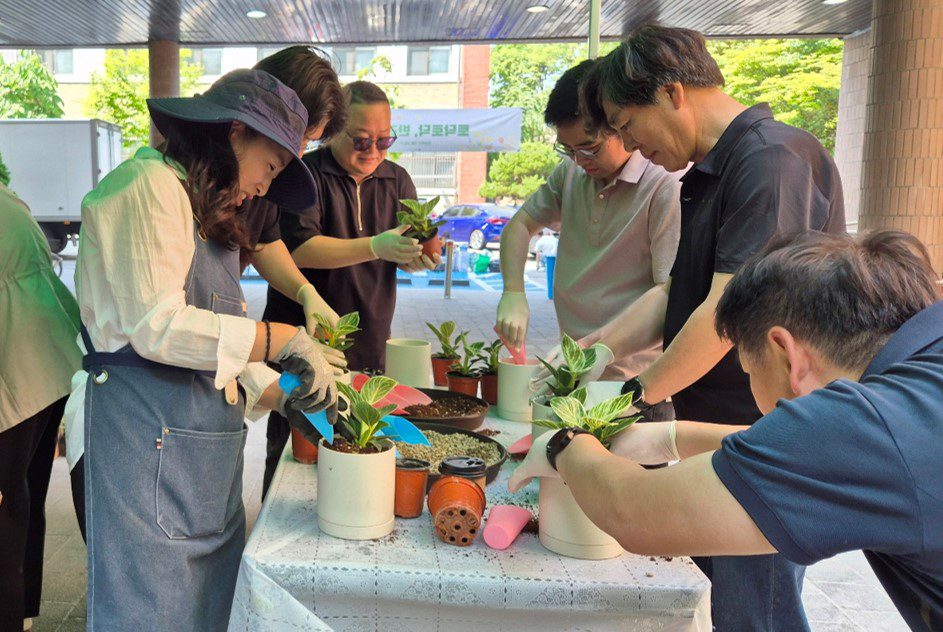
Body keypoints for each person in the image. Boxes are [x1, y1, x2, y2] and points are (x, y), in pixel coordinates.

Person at [544, 25, 846, 630]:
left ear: (672, 92)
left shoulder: (771, 160)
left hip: (764, 428)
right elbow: (678, 295)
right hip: (717, 428)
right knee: (724, 597)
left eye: (628, 125)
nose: (628, 143)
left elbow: (728, 312)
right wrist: (595, 350)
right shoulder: (709, 173)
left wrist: (638, 395)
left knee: (755, 609)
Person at [511, 229, 943, 632]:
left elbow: (634, 513)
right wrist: (672, 437)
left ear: (786, 354)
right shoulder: (917, 382)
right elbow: (817, 460)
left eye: (748, 368)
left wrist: (564, 443)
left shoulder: (867, 426)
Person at [74, 69, 337, 631]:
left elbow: (225, 358)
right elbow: (158, 327)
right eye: (270, 167)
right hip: (144, 459)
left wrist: (295, 393)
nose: (265, 189)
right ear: (235, 132)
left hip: (200, 474)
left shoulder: (202, 215)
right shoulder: (147, 187)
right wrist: (284, 338)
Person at [261, 80, 440, 495]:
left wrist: (416, 257)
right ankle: (276, 526)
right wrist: (376, 245)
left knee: (360, 444)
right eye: (361, 140)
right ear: (335, 128)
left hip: (370, 340)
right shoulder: (305, 175)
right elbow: (298, 250)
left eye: (384, 140)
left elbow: (411, 251)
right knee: (293, 447)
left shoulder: (398, 180)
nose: (374, 152)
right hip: (300, 345)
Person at [495, 59, 681, 385]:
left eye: (589, 148)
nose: (580, 162)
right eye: (568, 150)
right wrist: (513, 291)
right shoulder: (571, 172)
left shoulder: (666, 183)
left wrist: (601, 349)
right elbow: (519, 226)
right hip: (575, 363)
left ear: (621, 124)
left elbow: (669, 294)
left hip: (634, 380)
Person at [0, 183, 82, 632]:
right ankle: (25, 609)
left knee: (7, 505)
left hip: (18, 362)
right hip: (50, 349)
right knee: (21, 495)